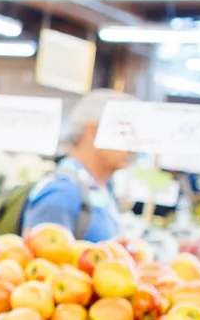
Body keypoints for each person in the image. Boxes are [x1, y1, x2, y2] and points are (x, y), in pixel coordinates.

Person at [20, 89, 136, 242]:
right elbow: (43, 261)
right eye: (124, 133)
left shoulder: (102, 187)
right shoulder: (61, 194)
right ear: (94, 131)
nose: (133, 144)